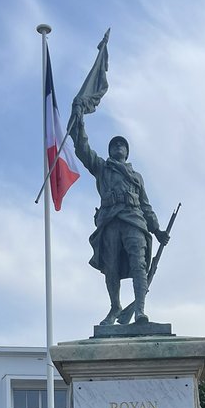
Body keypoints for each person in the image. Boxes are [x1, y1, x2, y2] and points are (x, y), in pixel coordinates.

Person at [70, 109, 170, 325]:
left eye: (121, 145)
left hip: (134, 220)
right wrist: (79, 124)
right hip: (110, 220)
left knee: (139, 264)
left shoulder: (136, 177)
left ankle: (140, 310)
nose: (118, 147)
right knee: (111, 266)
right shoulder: (102, 168)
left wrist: (157, 229)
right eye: (114, 145)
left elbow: (146, 205)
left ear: (126, 151)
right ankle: (115, 306)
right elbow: (83, 149)